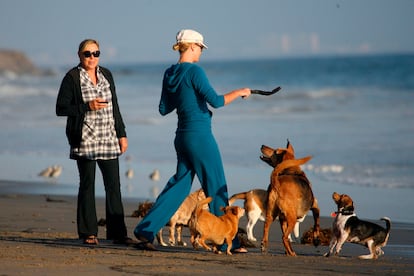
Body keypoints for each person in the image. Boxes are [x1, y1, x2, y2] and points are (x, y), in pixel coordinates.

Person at [134, 29, 251, 252]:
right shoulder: (195, 71)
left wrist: (185, 98)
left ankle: (145, 231)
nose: (201, 52)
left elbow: (163, 109)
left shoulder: (170, 73)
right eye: (200, 48)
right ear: (192, 46)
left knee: (178, 187)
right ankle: (231, 243)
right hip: (200, 137)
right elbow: (216, 101)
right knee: (216, 186)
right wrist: (239, 92)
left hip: (182, 137)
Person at [56, 39, 136, 245]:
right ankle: (88, 233)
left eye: (96, 53)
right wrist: (86, 106)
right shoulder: (72, 77)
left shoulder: (106, 74)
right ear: (79, 55)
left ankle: (118, 234)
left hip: (109, 137)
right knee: (87, 185)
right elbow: (61, 108)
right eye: (87, 54)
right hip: (85, 139)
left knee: (114, 186)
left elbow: (115, 106)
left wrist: (122, 133)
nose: (92, 57)